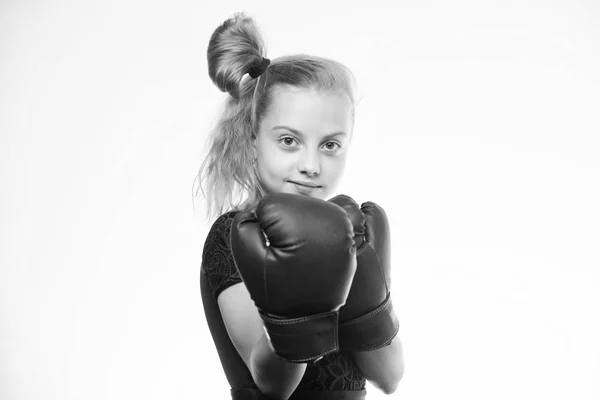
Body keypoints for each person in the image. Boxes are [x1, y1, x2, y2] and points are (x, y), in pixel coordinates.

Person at [194, 12, 404, 400]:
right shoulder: (233, 235)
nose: (310, 165)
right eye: (289, 140)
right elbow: (272, 384)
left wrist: (372, 305)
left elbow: (389, 378)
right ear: (253, 137)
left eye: (330, 144)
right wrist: (298, 306)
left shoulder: (347, 233)